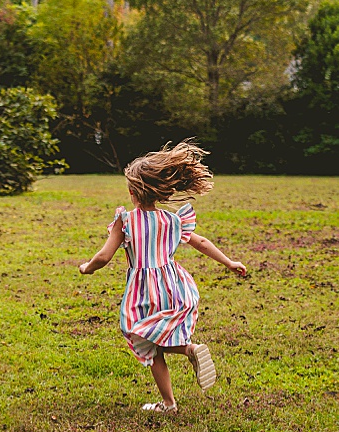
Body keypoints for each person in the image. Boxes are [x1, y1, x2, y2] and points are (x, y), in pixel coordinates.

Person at [77, 142, 246, 412]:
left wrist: (87, 267)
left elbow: (104, 257)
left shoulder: (126, 220)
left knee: (141, 336)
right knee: (154, 338)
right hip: (174, 285)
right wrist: (229, 262)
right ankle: (178, 378)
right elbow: (200, 242)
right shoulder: (172, 220)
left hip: (143, 291)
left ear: (133, 192)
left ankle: (180, 374)